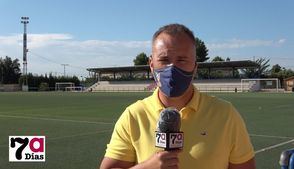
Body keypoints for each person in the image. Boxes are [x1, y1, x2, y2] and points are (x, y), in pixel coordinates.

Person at [100, 23, 256, 169]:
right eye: (164, 59)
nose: (172, 69)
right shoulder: (133, 116)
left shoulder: (226, 114)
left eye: (182, 60)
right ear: (151, 64)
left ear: (195, 67)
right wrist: (147, 167)